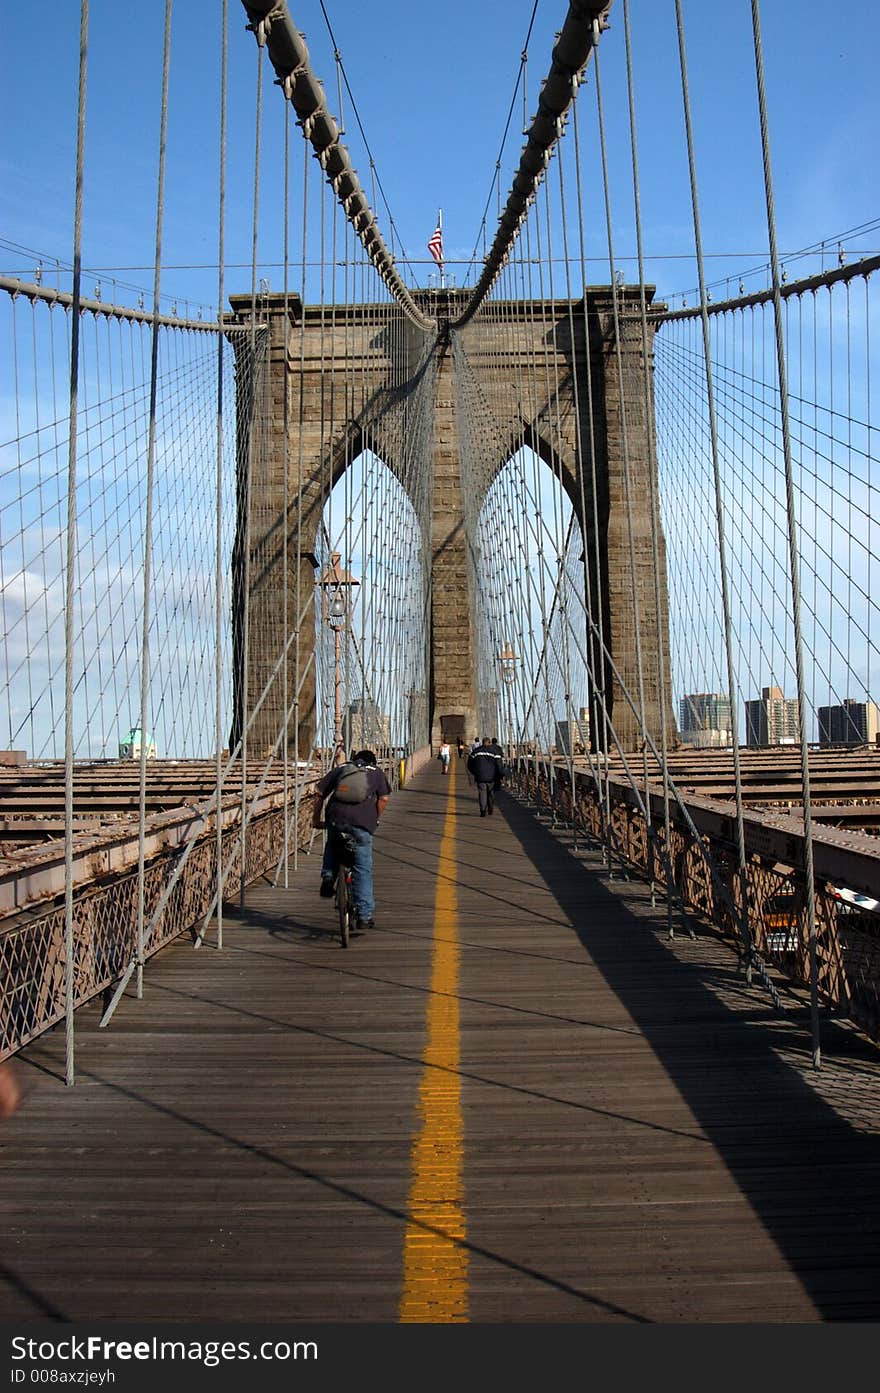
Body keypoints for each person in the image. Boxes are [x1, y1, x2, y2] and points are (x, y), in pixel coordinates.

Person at [313, 749, 391, 934]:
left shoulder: (342, 768)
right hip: (362, 824)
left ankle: (328, 877)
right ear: (374, 762)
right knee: (362, 868)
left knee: (332, 843)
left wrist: (315, 819)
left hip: (336, 817)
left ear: (354, 759)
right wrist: (375, 817)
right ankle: (364, 916)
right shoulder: (377, 772)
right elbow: (384, 798)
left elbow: (318, 793)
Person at [467, 736, 506, 817]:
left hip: (480, 776)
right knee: (491, 793)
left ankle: (483, 810)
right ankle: (490, 807)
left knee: (482, 793)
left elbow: (469, 764)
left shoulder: (476, 751)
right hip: (492, 777)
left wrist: (475, 772)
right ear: (489, 742)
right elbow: (499, 765)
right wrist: (501, 774)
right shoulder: (495, 752)